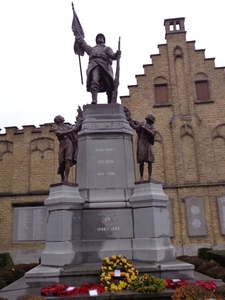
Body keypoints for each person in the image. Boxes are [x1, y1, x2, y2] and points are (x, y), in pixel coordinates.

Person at [76, 33, 121, 104]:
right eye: (98, 37)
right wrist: (79, 37)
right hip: (94, 65)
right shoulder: (92, 49)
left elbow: (112, 55)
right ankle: (94, 100)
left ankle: (110, 102)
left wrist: (117, 54)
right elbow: (84, 45)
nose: (100, 38)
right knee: (94, 80)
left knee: (109, 84)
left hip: (105, 66)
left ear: (104, 40)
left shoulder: (107, 49)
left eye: (101, 37)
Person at [124, 107, 156, 181]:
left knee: (150, 160)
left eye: (150, 116)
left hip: (148, 143)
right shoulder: (141, 123)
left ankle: (150, 176)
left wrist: (144, 128)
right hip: (141, 142)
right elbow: (132, 122)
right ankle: (141, 176)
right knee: (141, 160)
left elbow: (152, 133)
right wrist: (127, 114)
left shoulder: (153, 127)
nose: (148, 116)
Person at [53, 114, 82, 182]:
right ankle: (62, 178)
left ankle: (66, 178)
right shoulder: (56, 128)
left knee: (67, 160)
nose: (63, 117)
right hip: (62, 143)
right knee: (61, 161)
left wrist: (79, 119)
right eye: (61, 117)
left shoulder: (67, 126)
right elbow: (60, 133)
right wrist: (72, 130)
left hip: (69, 142)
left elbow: (77, 129)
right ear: (58, 120)